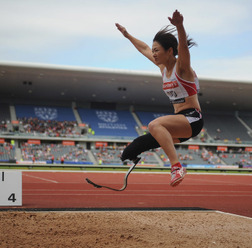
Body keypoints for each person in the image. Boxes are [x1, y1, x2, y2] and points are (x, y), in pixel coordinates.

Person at [116, 10, 204, 187]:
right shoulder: (163, 68)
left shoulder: (182, 68)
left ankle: (176, 167)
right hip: (179, 123)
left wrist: (179, 26)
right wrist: (127, 35)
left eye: (157, 50)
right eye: (154, 51)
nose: (154, 54)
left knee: (155, 125)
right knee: (143, 141)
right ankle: (131, 155)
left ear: (170, 51)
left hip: (192, 118)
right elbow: (143, 48)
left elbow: (184, 49)